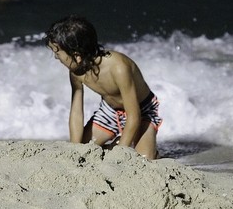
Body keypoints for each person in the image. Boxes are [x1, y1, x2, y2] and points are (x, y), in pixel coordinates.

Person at [45, 15, 162, 160]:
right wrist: (75, 150)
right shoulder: (76, 71)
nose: (56, 57)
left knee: (144, 158)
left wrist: (120, 152)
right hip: (110, 110)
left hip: (141, 110)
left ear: (77, 56)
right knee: (85, 148)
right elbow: (76, 113)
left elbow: (134, 115)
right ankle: (115, 144)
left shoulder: (118, 68)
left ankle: (135, 146)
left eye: (57, 53)